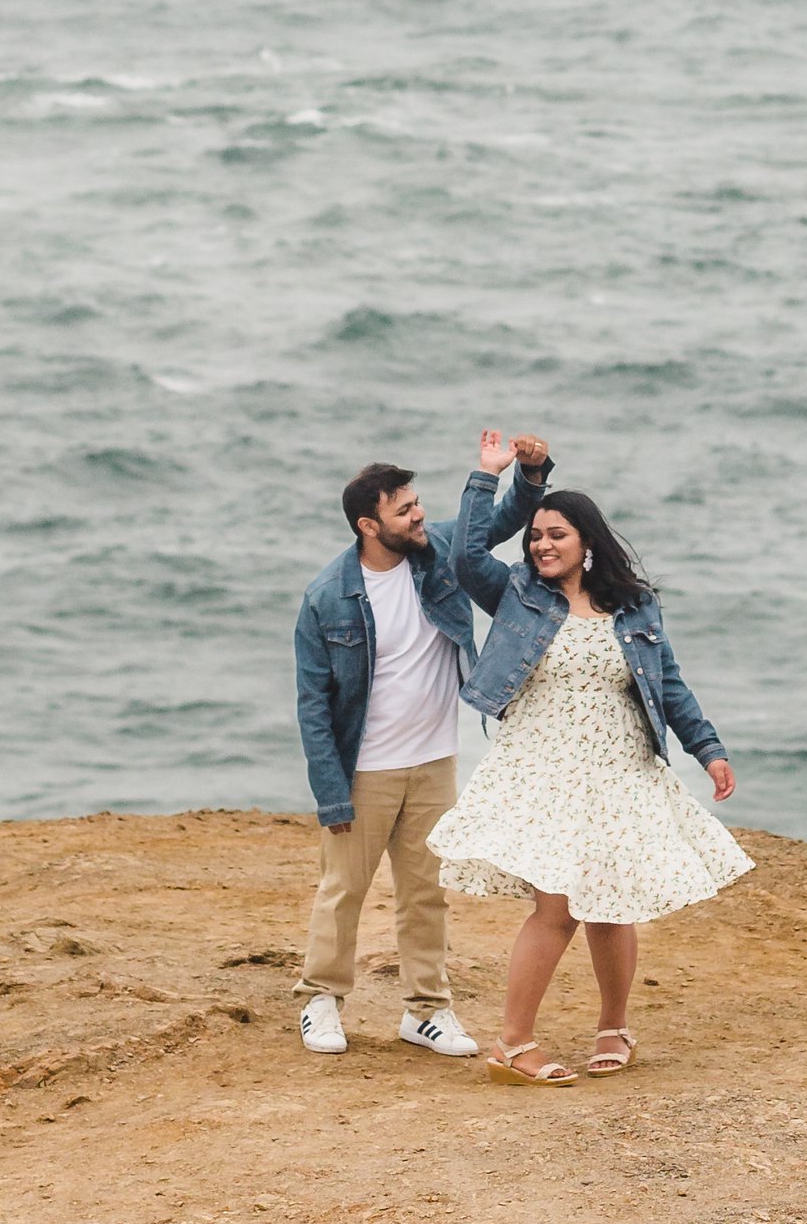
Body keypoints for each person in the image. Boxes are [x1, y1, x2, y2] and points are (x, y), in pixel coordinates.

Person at [428, 446, 749, 1082]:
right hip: (545, 771)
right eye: (536, 537)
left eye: (557, 535)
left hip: (620, 769)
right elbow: (464, 557)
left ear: (588, 542)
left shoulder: (632, 607)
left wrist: (708, 751)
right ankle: (513, 1042)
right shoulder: (517, 593)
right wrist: (491, 478)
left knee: (611, 906)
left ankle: (614, 1026)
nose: (543, 545)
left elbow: (670, 683)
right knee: (557, 909)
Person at [291, 429, 553, 1058]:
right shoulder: (328, 598)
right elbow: (313, 707)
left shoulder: (435, 552)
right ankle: (321, 1000)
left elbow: (496, 522)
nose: (419, 515)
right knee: (343, 893)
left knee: (424, 893)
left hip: (434, 763)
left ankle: (427, 1011)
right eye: (403, 509)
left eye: (417, 503)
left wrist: (527, 474)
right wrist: (332, 796)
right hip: (366, 770)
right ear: (367, 524)